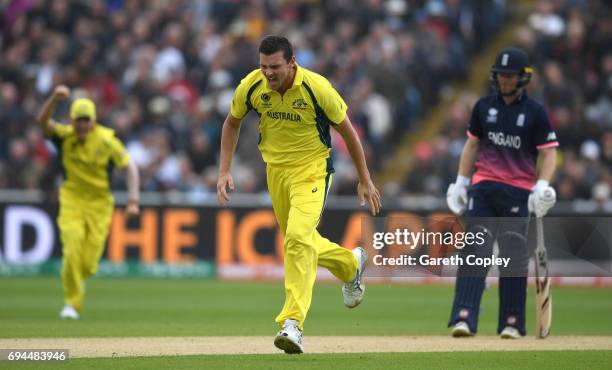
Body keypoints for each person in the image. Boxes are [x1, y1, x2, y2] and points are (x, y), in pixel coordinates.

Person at [217, 35, 381, 354]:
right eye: (264, 66)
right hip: (275, 171)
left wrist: (365, 178)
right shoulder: (252, 85)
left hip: (312, 169)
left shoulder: (317, 88)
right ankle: (350, 264)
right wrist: (224, 169)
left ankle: (292, 323)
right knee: (300, 240)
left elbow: (348, 131)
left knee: (296, 238)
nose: (269, 73)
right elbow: (231, 122)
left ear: (292, 62)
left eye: (275, 66)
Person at [445, 47, 558, 339]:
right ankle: (464, 317)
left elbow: (549, 154)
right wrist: (460, 181)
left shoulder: (535, 112)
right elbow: (472, 146)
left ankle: (512, 322)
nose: (505, 81)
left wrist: (542, 185)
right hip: (482, 188)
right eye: (501, 75)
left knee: (512, 255)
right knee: (475, 250)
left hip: (518, 191)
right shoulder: (483, 107)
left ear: (523, 78)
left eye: (510, 76)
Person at [37, 85, 140, 320]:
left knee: (89, 264)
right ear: (72, 120)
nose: (82, 125)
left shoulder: (106, 141)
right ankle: (72, 303)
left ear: (93, 121)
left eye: (86, 121)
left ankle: (76, 280)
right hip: (72, 200)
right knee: (72, 248)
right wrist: (54, 99)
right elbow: (43, 122)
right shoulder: (65, 136)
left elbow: (131, 167)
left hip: (100, 204)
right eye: (78, 120)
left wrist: (133, 201)